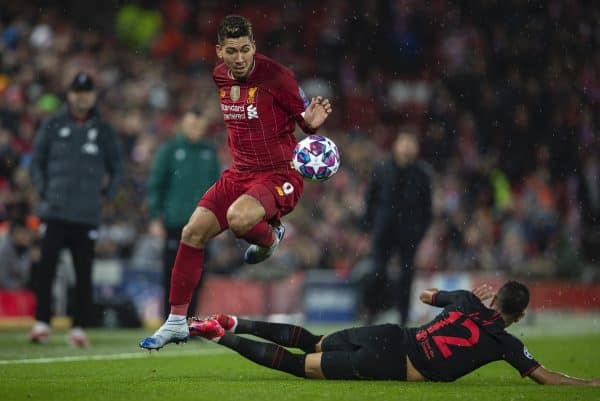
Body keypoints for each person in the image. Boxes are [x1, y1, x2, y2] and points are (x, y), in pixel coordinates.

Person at [139, 15, 332, 350]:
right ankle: (174, 321)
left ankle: (271, 238)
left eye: (245, 49)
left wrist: (312, 125)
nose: (240, 58)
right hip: (239, 173)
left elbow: (304, 121)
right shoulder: (219, 77)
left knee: (239, 218)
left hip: (278, 174)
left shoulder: (277, 76)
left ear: (254, 46)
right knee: (191, 232)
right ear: (219, 52)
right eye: (232, 51)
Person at [188, 281, 600, 385]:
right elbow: (544, 376)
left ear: (495, 298)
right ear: (520, 314)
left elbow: (424, 294)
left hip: (391, 334)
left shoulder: (466, 301)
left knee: (312, 340)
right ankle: (219, 334)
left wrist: (466, 298)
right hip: (394, 361)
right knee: (301, 367)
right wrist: (589, 383)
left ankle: (234, 321)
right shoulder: (506, 343)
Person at [28, 72, 124, 346]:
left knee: (84, 274)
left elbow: (118, 167)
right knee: (45, 270)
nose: (82, 96)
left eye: (86, 91)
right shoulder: (53, 124)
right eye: (77, 91)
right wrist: (44, 190)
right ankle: (41, 322)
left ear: (93, 95)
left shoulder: (104, 130)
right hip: (55, 211)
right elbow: (36, 162)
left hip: (86, 215)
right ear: (70, 94)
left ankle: (78, 327)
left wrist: (107, 195)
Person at [147, 108, 220, 318]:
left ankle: (189, 319)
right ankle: (168, 319)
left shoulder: (209, 152)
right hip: (175, 221)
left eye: (199, 125)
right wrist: (155, 217)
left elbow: (219, 188)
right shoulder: (170, 150)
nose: (195, 129)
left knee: (197, 274)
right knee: (172, 273)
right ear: (183, 125)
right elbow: (156, 185)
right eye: (191, 124)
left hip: (203, 224)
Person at [361, 131, 432, 325]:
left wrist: (420, 232)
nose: (407, 147)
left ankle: (403, 318)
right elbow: (370, 200)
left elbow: (427, 208)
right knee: (377, 272)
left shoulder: (422, 173)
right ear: (396, 145)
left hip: (409, 233)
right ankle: (372, 313)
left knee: (406, 277)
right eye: (404, 142)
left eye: (411, 143)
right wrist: (370, 227)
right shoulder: (382, 168)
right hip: (383, 232)